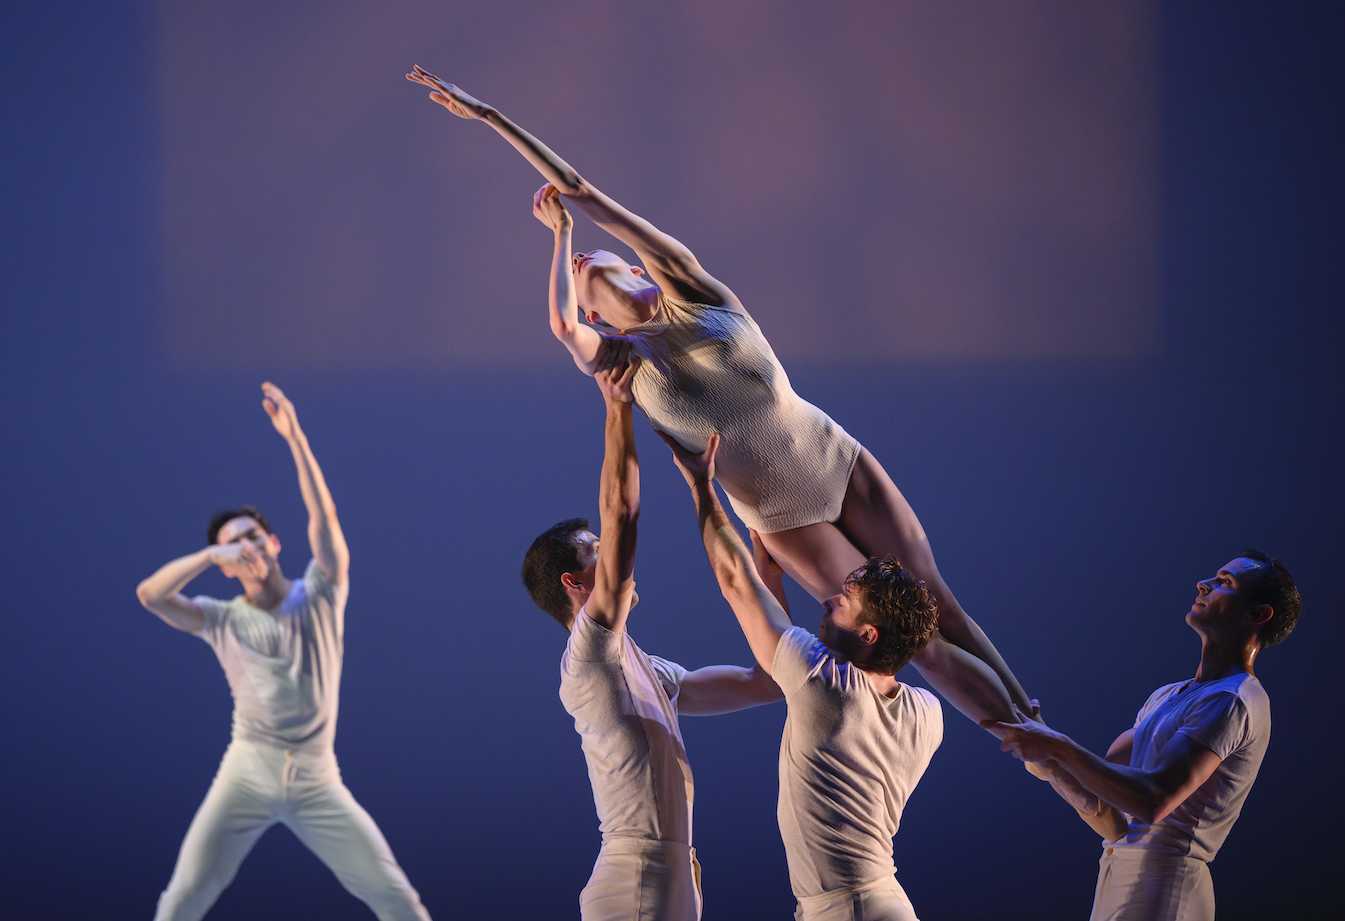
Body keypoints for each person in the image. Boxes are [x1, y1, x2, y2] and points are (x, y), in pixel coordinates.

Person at [407, 66, 1031, 726]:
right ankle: (1038, 755)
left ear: (636, 266)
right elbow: (563, 326)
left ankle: (1039, 727)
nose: (583, 260)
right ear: (595, 317)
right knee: (920, 644)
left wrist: (491, 116)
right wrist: (559, 239)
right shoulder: (623, 365)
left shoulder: (694, 289)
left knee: (941, 603)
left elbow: (583, 191)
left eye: (590, 253)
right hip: (784, 516)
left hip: (831, 453)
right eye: (575, 270)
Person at [135, 383, 430, 921]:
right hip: (247, 771)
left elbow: (326, 519)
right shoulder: (220, 617)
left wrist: (295, 437)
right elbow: (150, 596)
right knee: (182, 899)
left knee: (395, 897)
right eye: (233, 544)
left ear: (273, 544)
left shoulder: (321, 591)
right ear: (226, 565)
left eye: (252, 536)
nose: (245, 546)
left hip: (317, 778)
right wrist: (208, 554)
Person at [521, 356, 787, 921]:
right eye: (596, 550)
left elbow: (769, 681)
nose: (610, 551)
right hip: (638, 879)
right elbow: (620, 513)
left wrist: (768, 573)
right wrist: (618, 408)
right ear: (574, 583)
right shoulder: (589, 654)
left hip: (666, 878)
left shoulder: (644, 670)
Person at [662, 430, 942, 921]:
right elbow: (780, 664)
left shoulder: (825, 683)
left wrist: (702, 486)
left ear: (869, 634)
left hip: (850, 909)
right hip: (877, 902)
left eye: (845, 602)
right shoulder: (927, 712)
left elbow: (735, 582)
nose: (830, 600)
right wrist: (770, 579)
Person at [986, 550, 1301, 921]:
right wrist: (1048, 758)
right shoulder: (1167, 695)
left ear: (1258, 614)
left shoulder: (1233, 699)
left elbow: (1153, 800)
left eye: (1225, 582)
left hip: (1166, 887)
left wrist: (1059, 748)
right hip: (1118, 876)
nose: (1204, 584)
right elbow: (1100, 795)